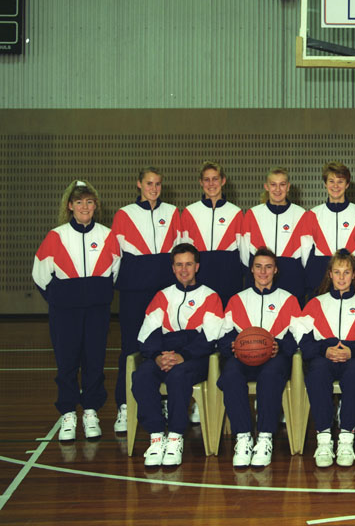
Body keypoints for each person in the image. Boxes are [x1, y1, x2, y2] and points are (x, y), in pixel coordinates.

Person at [32, 180, 120, 441]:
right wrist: (62, 299)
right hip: (65, 313)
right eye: (79, 202)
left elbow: (115, 272)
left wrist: (95, 294)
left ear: (96, 206)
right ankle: (68, 413)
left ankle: (91, 411)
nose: (84, 206)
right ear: (70, 206)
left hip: (96, 312)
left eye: (89, 202)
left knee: (94, 361)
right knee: (67, 362)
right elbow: (40, 274)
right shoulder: (56, 236)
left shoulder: (107, 235)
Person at [132, 244, 224, 467]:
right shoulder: (162, 296)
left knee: (178, 376)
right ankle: (156, 436)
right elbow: (147, 332)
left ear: (197, 267)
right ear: (173, 268)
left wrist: (183, 355)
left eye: (189, 264)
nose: (184, 270)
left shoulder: (210, 296)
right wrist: (157, 356)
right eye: (179, 265)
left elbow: (211, 337)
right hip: (164, 353)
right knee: (142, 375)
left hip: (195, 358)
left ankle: (175, 437)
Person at [216, 247, 302, 467]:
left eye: (268, 267)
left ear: (276, 270)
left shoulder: (289, 300)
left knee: (270, 376)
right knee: (230, 374)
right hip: (243, 357)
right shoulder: (237, 300)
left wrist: (280, 346)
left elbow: (297, 338)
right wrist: (232, 346)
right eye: (258, 267)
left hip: (274, 357)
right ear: (251, 270)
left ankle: (265, 437)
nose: (263, 272)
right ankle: (243, 437)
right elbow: (223, 336)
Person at [110, 167, 181, 433]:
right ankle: (124, 405)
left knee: (166, 346)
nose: (153, 188)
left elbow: (180, 251)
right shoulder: (124, 214)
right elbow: (115, 256)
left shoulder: (172, 213)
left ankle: (163, 400)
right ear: (139, 184)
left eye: (158, 184)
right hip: (134, 293)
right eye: (149, 183)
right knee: (131, 348)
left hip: (164, 292)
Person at [294, 250, 355, 468]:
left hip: (354, 358)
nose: (341, 277)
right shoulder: (315, 303)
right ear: (329, 274)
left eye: (346, 272)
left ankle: (346, 440)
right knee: (317, 373)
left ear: (354, 275)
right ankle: (323, 439)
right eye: (337, 272)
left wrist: (352, 351)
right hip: (324, 357)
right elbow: (304, 341)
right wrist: (324, 350)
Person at [300, 161, 355, 302]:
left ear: (347, 184)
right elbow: (305, 254)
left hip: (351, 276)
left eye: (340, 181)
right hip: (319, 275)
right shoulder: (312, 215)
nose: (335, 186)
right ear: (325, 183)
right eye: (331, 181)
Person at [181, 161, 244, 305]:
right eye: (206, 179)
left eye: (215, 179)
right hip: (199, 279)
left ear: (223, 181)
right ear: (201, 182)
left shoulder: (236, 212)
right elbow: (183, 249)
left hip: (229, 280)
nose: (211, 184)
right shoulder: (189, 212)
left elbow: (244, 251)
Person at [242, 167, 306, 301]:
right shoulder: (253, 214)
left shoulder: (301, 214)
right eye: (273, 184)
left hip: (292, 281)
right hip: (261, 280)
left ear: (288, 187)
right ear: (266, 187)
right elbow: (244, 253)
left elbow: (306, 253)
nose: (277, 189)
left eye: (282, 184)